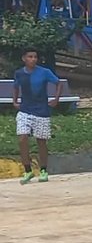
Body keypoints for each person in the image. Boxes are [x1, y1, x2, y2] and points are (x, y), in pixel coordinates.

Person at [13, 48, 62, 185]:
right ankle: (27, 170)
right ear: (24, 58)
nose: (33, 59)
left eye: (35, 57)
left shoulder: (44, 72)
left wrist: (56, 99)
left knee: (41, 141)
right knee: (22, 138)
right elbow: (16, 87)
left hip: (41, 111)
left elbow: (58, 84)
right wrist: (15, 100)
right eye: (30, 57)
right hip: (25, 110)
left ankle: (43, 169)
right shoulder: (19, 73)